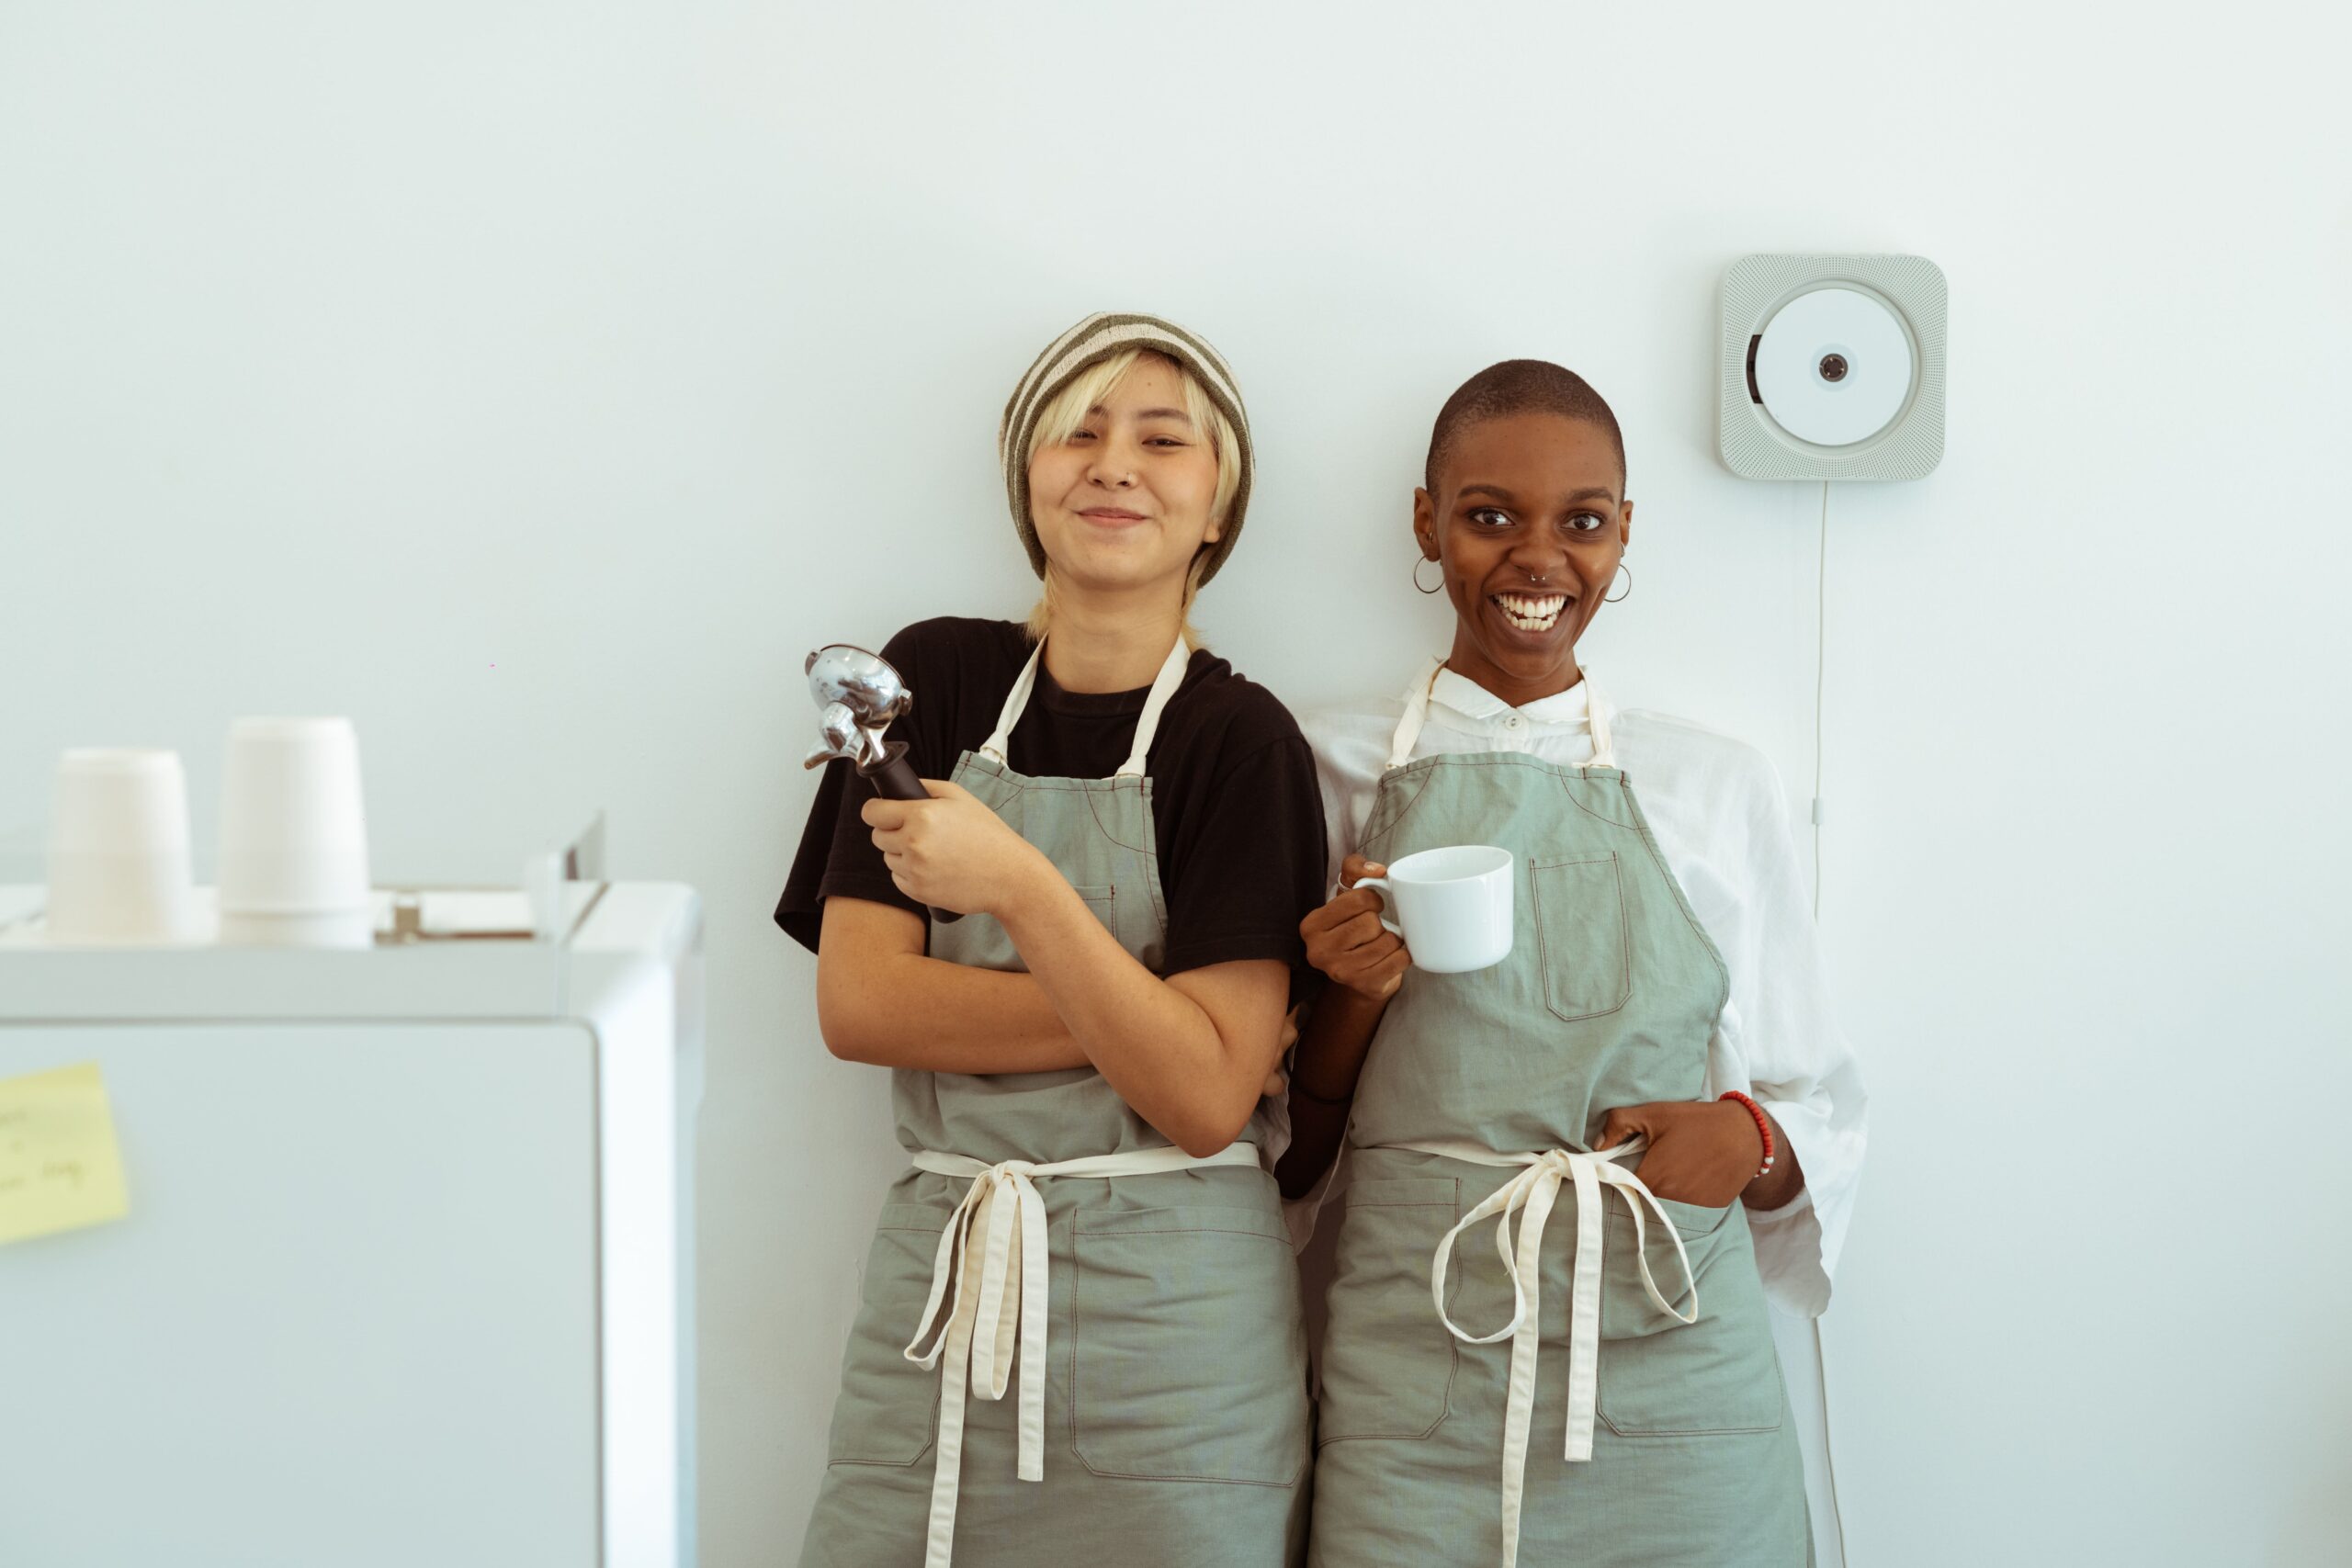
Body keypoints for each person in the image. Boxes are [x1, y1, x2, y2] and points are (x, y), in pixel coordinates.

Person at [1279, 359, 1867, 1568]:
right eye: (1490, 516)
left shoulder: (1712, 780)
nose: (1537, 559)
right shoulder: (1321, 766)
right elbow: (1281, 1134)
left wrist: (1751, 1140)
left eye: (1582, 522)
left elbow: (1817, 1093)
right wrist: (1345, 1000)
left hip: (1677, 1365)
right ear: (1427, 521)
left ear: (1624, 533)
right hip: (1419, 1364)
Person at [778, 313, 1324, 1568]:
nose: (1113, 462)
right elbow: (862, 1007)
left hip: (1178, 1348)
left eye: (1161, 439)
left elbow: (1198, 1105)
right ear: (1028, 481)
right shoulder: (931, 687)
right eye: (1076, 429)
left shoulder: (1243, 745)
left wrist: (1019, 887)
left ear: (1217, 507)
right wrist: (1161, 1022)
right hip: (946, 1304)